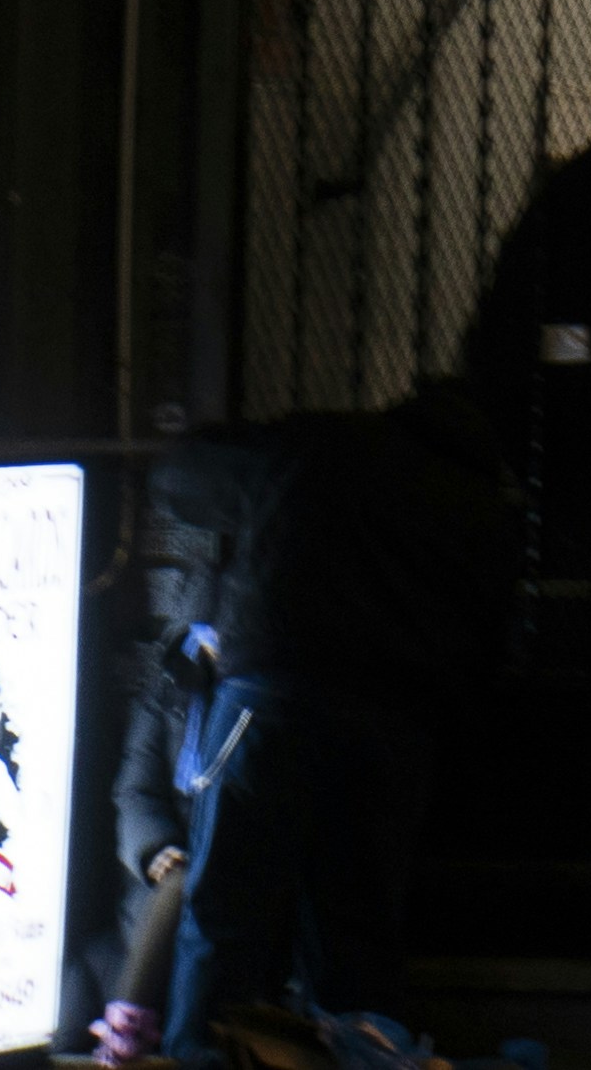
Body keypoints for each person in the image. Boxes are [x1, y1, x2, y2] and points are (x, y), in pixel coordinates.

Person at [95, 382, 518, 1066]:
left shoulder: (326, 443)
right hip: (396, 723)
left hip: (275, 690)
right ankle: (364, 1053)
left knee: (226, 903)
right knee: (356, 929)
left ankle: (201, 1051)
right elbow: (488, 648)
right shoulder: (483, 507)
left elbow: (184, 477)